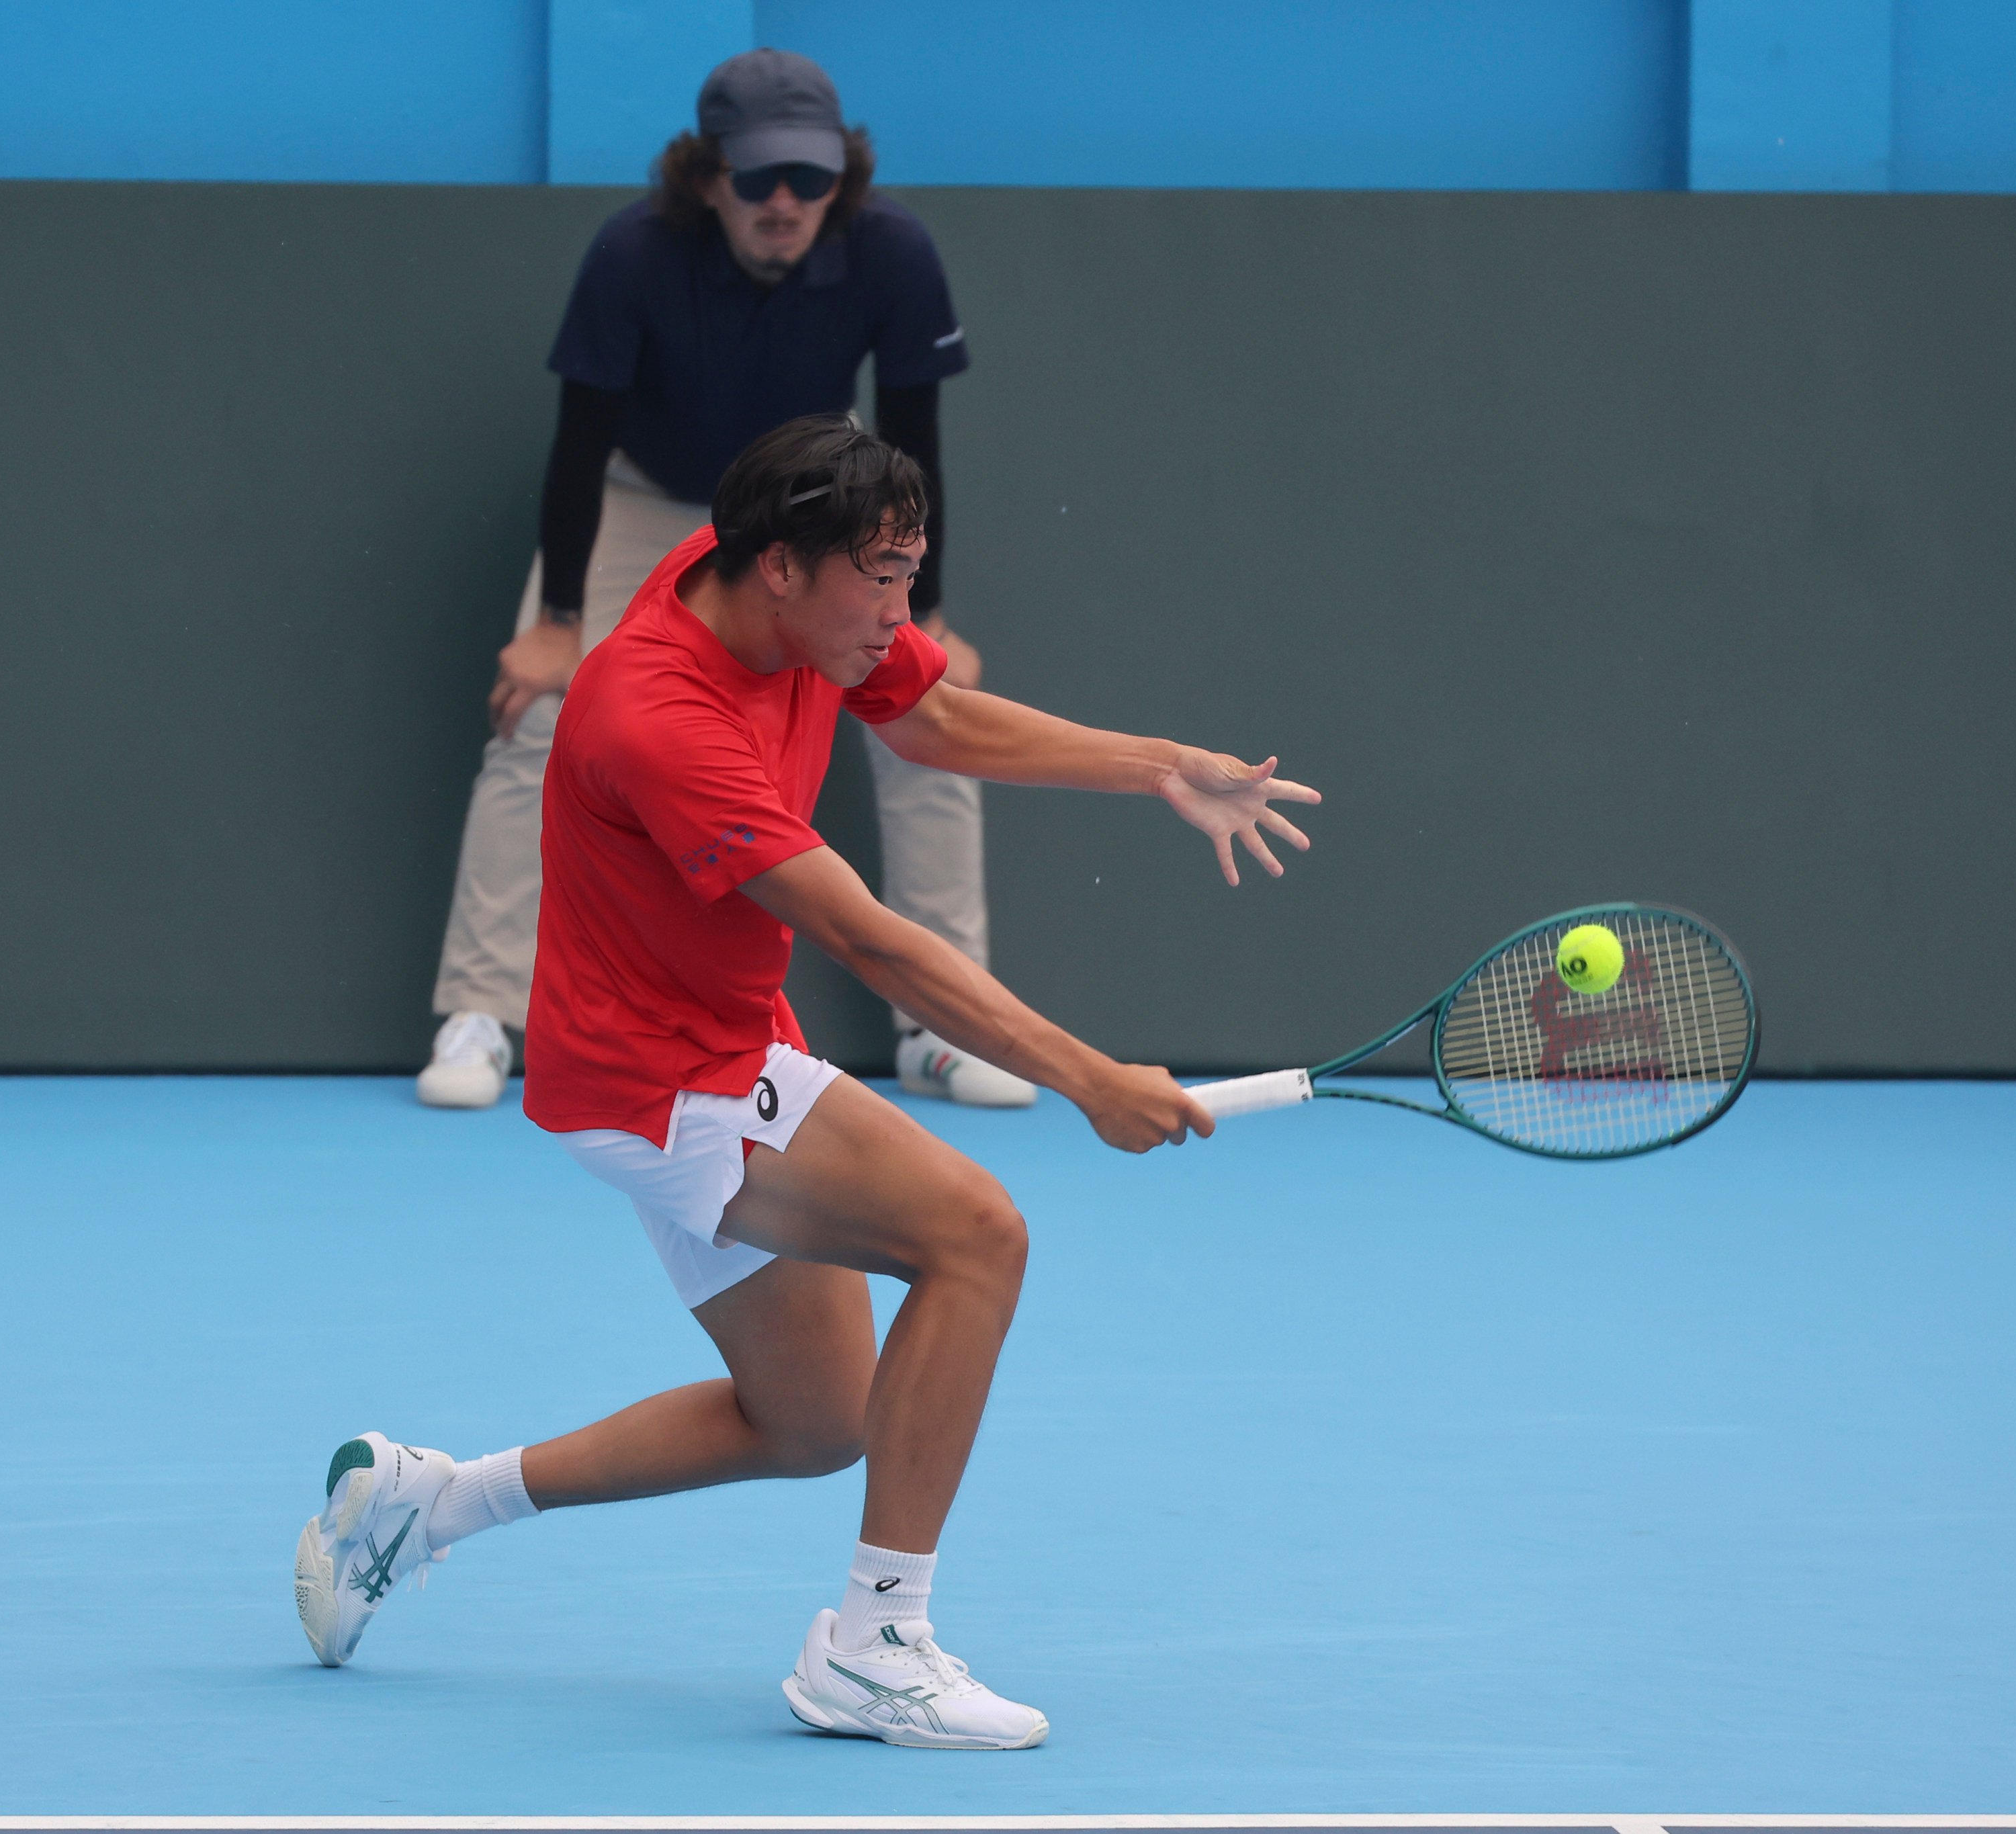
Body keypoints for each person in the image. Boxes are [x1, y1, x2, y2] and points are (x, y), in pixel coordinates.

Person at [298, 419, 1319, 1748]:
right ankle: (874, 1644)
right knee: (976, 1236)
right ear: (779, 568)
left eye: (910, 573)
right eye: (881, 580)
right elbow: (869, 939)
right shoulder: (660, 717)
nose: (902, 612)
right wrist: (1087, 1081)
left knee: (816, 1420)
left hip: (693, 1048)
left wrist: (1154, 764)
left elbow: (939, 713)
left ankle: (425, 1504)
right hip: (666, 1086)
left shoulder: (774, 601)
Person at [419, 47, 1035, 1113]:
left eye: (810, 178)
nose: (785, 202)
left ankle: (940, 1029)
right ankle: (482, 1008)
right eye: (757, 180)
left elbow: (913, 439)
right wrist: (560, 624)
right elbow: (577, 442)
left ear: (842, 177)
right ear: (708, 177)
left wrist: (924, 613)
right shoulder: (633, 253)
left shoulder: (892, 251)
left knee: (930, 717)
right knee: (537, 714)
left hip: (816, 506)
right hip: (649, 495)